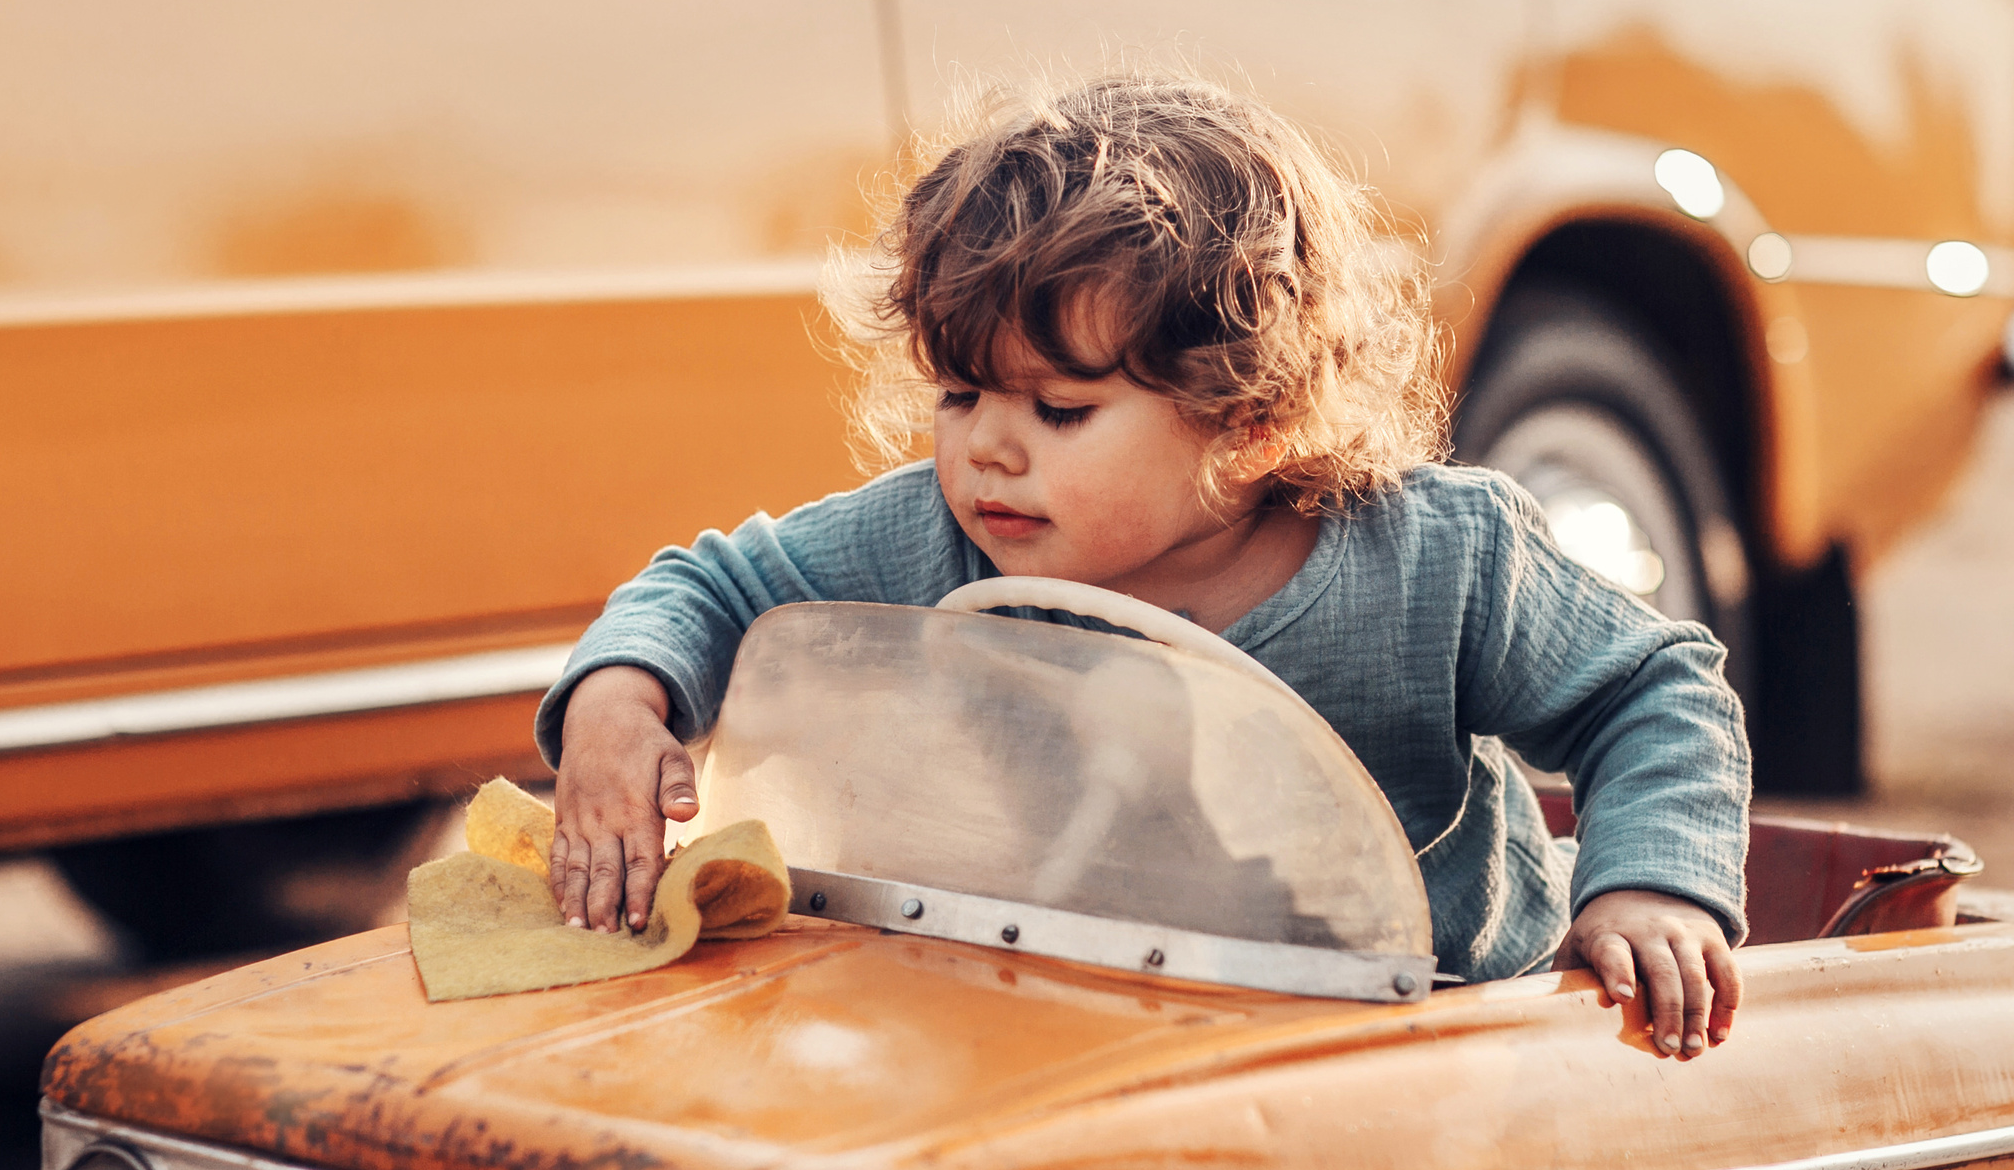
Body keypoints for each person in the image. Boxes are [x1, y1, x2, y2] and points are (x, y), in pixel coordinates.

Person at [535, 76, 1750, 1057]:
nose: (986, 448)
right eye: (959, 394)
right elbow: (707, 588)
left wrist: (1649, 887)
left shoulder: (1438, 558)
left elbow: (1656, 689)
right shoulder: (939, 534)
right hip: (1066, 1024)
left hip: (1418, 1048)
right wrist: (618, 704)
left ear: (1254, 420)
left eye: (1060, 410)